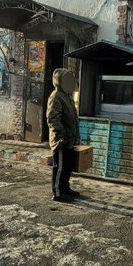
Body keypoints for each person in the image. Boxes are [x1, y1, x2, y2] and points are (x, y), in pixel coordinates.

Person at [47, 67, 81, 202]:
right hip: (61, 141)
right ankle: (58, 193)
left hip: (70, 140)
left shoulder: (67, 96)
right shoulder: (56, 97)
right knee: (60, 167)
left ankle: (65, 189)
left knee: (67, 167)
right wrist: (62, 135)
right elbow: (52, 119)